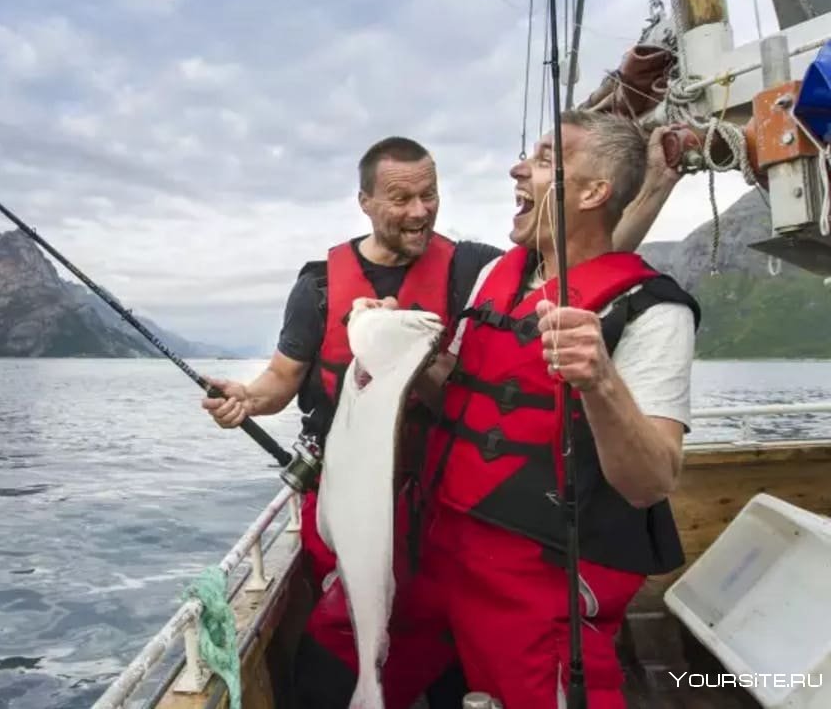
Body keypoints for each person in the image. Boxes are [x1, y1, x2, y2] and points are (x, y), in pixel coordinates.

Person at [201, 127, 685, 707]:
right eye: (402, 199)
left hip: (531, 573)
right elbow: (443, 386)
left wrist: (600, 378)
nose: (420, 210)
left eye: (428, 195)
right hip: (429, 544)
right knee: (326, 675)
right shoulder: (469, 281)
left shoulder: (636, 308)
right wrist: (386, 348)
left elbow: (651, 480)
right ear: (366, 203)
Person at [409, 109, 701, 708]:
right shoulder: (497, 273)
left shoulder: (653, 312)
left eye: (545, 160)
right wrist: (400, 361)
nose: (519, 168)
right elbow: (456, 395)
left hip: (543, 586)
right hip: (445, 553)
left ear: (594, 192)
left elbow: (652, 481)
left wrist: (600, 382)